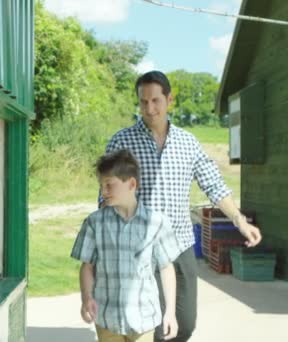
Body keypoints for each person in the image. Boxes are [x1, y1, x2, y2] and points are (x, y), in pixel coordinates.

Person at [103, 70, 262, 341]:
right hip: (138, 248)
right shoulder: (122, 141)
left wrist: (239, 220)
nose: (149, 109)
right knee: (149, 325)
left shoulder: (188, 143)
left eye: (156, 101)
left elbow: (214, 185)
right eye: (143, 102)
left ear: (169, 99)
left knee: (184, 324)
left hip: (180, 245)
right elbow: (107, 194)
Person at [71, 149, 180, 342]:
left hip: (144, 318)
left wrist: (170, 312)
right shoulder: (94, 223)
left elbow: (166, 268)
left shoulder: (157, 222)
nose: (103, 191)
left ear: (132, 184)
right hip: (106, 319)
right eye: (101, 185)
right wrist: (86, 298)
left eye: (109, 185)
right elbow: (87, 266)